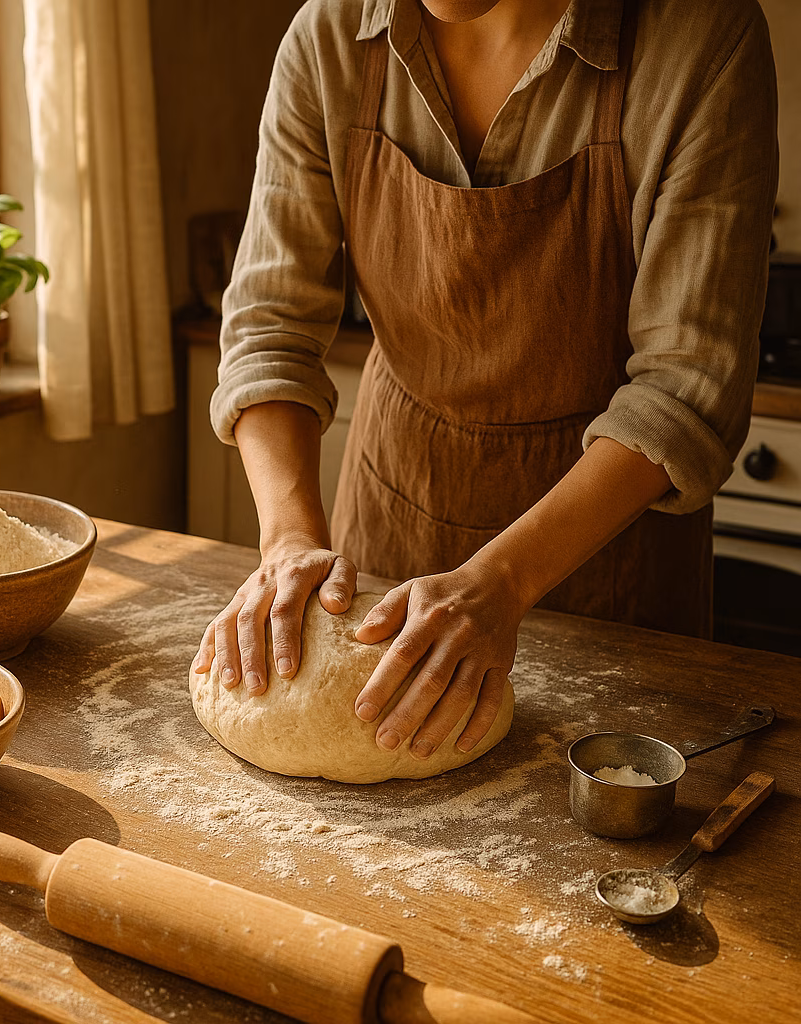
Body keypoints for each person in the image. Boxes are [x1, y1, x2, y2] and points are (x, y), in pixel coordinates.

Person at [192, 0, 778, 763]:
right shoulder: (332, 36)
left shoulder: (700, 39)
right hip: (393, 515)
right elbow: (270, 328)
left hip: (607, 565)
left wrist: (505, 580)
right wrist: (288, 539)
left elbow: (685, 388)